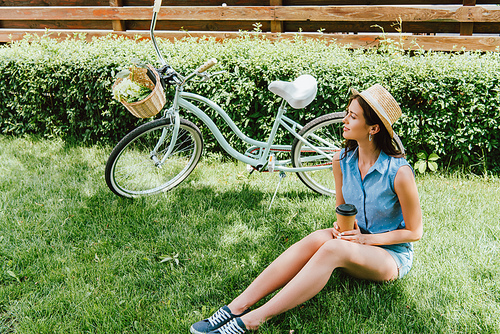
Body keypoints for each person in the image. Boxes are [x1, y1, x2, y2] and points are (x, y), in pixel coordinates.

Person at [190, 84, 423, 334]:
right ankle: (236, 307)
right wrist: (343, 228)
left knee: (332, 248)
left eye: (352, 117)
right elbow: (343, 210)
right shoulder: (341, 160)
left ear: (373, 129)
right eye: (347, 112)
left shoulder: (399, 172)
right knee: (317, 238)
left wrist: (365, 239)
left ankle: (253, 320)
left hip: (390, 256)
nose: (344, 120)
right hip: (355, 242)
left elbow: (414, 232)